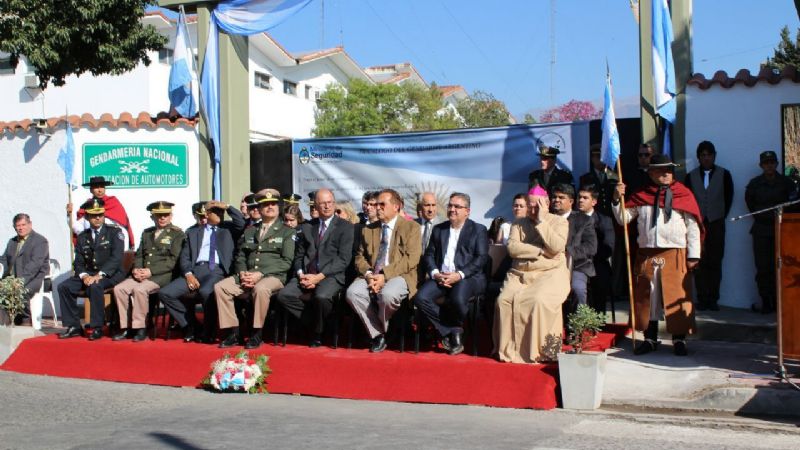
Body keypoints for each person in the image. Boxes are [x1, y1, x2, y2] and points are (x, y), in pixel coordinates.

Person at [612, 154, 702, 356]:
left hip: (675, 252)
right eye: (662, 170)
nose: (667, 174)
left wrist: (694, 255)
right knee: (648, 299)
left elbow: (693, 226)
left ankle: (679, 340)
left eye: (669, 170)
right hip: (647, 254)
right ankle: (650, 339)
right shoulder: (641, 195)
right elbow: (623, 219)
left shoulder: (683, 194)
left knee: (676, 296)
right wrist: (617, 199)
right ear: (651, 173)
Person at [493, 185, 570, 363]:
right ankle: (508, 350)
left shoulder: (559, 222)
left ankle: (540, 351)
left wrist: (542, 222)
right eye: (531, 205)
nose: (533, 210)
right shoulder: (518, 223)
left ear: (547, 204)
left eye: (538, 206)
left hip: (550, 274)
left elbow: (557, 247)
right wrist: (541, 251)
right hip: (519, 274)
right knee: (503, 300)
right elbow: (513, 248)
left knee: (538, 301)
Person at [215, 190, 295, 349]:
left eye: (273, 204)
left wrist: (261, 274)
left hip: (273, 276)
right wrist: (242, 272)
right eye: (265, 204)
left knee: (260, 289)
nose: (270, 207)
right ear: (259, 208)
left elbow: (287, 261)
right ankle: (234, 332)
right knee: (221, 287)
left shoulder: (287, 231)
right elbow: (241, 256)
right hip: (248, 274)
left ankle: (256, 333)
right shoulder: (250, 231)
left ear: (278, 207)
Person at [276, 189, 354, 347]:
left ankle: (317, 333)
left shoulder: (345, 227)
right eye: (322, 203)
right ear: (316, 206)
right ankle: (319, 324)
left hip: (330, 275)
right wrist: (300, 275)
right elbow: (299, 256)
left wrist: (319, 277)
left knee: (321, 297)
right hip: (306, 274)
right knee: (284, 295)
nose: (327, 206)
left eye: (330, 202)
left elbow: (343, 260)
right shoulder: (307, 227)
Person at [158, 200, 245, 343]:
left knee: (206, 292)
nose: (220, 214)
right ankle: (191, 325)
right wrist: (188, 274)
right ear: (207, 214)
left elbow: (241, 221)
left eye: (221, 211)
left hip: (216, 271)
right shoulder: (193, 232)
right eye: (216, 212)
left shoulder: (228, 228)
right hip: (195, 270)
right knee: (165, 293)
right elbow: (185, 257)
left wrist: (228, 207)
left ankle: (208, 331)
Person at [346, 189, 421, 353]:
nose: (377, 208)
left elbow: (412, 259)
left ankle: (384, 331)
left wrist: (384, 275)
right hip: (371, 275)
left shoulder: (411, 227)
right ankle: (379, 333)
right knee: (352, 293)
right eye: (376, 204)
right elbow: (359, 257)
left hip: (399, 275)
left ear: (396, 206)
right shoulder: (369, 229)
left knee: (387, 295)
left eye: (382, 204)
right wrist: (368, 275)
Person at [413, 193, 488, 355]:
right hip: (441, 276)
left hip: (467, 277)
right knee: (420, 298)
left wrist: (459, 275)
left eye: (457, 207)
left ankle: (454, 330)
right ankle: (452, 330)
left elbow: (481, 258)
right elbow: (429, 255)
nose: (452, 209)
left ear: (467, 211)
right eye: (450, 206)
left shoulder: (478, 229)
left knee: (457, 299)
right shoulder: (439, 229)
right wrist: (435, 273)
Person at [112, 201, 185, 342]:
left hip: (162, 276)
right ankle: (126, 327)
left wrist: (150, 272)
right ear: (152, 217)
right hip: (142, 273)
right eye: (158, 215)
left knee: (140, 290)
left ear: (171, 216)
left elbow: (173, 260)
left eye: (165, 215)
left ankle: (141, 328)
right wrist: (137, 269)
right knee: (119, 288)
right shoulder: (147, 233)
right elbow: (139, 255)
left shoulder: (177, 234)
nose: (162, 218)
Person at [58, 199, 126, 340]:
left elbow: (116, 258)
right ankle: (74, 326)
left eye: (100, 215)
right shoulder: (83, 236)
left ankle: (97, 327)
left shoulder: (115, 233)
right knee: (64, 287)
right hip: (88, 275)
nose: (97, 218)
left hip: (110, 274)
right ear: (88, 217)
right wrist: (83, 276)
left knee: (95, 287)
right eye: (94, 215)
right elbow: (78, 262)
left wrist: (99, 275)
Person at [684, 140, 734, 311]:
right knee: (699, 262)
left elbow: (728, 198)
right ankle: (702, 298)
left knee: (715, 261)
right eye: (703, 155)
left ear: (714, 156)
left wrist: (718, 216)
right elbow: (687, 201)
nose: (706, 158)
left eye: (709, 155)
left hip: (717, 224)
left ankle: (713, 298)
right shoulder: (690, 176)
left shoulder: (724, 174)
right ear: (698, 157)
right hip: (697, 225)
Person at [745, 150, 797, 314]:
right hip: (761, 230)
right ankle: (766, 301)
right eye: (766, 163)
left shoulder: (787, 183)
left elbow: (794, 204)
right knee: (763, 268)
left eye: (772, 162)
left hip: (782, 230)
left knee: (782, 267)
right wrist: (763, 217)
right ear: (761, 165)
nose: (769, 166)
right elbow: (750, 203)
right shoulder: (755, 184)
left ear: (777, 164)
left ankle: (780, 301)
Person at [551, 183, 596, 309]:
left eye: (561, 197)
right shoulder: (547, 219)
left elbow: (591, 247)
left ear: (571, 201)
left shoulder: (584, 220)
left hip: (578, 266)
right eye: (554, 197)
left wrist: (566, 252)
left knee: (577, 289)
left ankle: (577, 326)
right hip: (549, 266)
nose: (556, 200)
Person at [0, 213, 49, 324]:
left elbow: (35, 265)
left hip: (35, 278)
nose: (21, 228)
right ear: (14, 227)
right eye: (18, 226)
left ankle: (25, 320)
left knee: (20, 292)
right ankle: (5, 323)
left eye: (23, 224)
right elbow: (4, 259)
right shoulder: (12, 242)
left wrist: (19, 282)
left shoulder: (40, 241)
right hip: (12, 279)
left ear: (30, 224)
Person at [577, 185, 615, 313]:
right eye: (579, 197)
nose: (580, 200)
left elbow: (608, 247)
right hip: (575, 263)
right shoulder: (571, 219)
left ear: (594, 201)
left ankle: (598, 324)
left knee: (600, 279)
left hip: (596, 262)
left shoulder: (604, 221)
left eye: (585, 198)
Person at [69, 176, 135, 250]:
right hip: (94, 249)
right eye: (96, 187)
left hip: (114, 247)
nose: (100, 190)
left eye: (102, 187)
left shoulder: (113, 202)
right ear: (91, 190)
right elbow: (79, 229)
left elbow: (123, 228)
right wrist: (69, 214)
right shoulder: (87, 207)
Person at [579, 144, 619, 216]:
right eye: (598, 156)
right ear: (592, 158)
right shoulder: (585, 179)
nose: (601, 160)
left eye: (603, 157)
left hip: (612, 217)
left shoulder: (616, 177)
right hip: (593, 218)